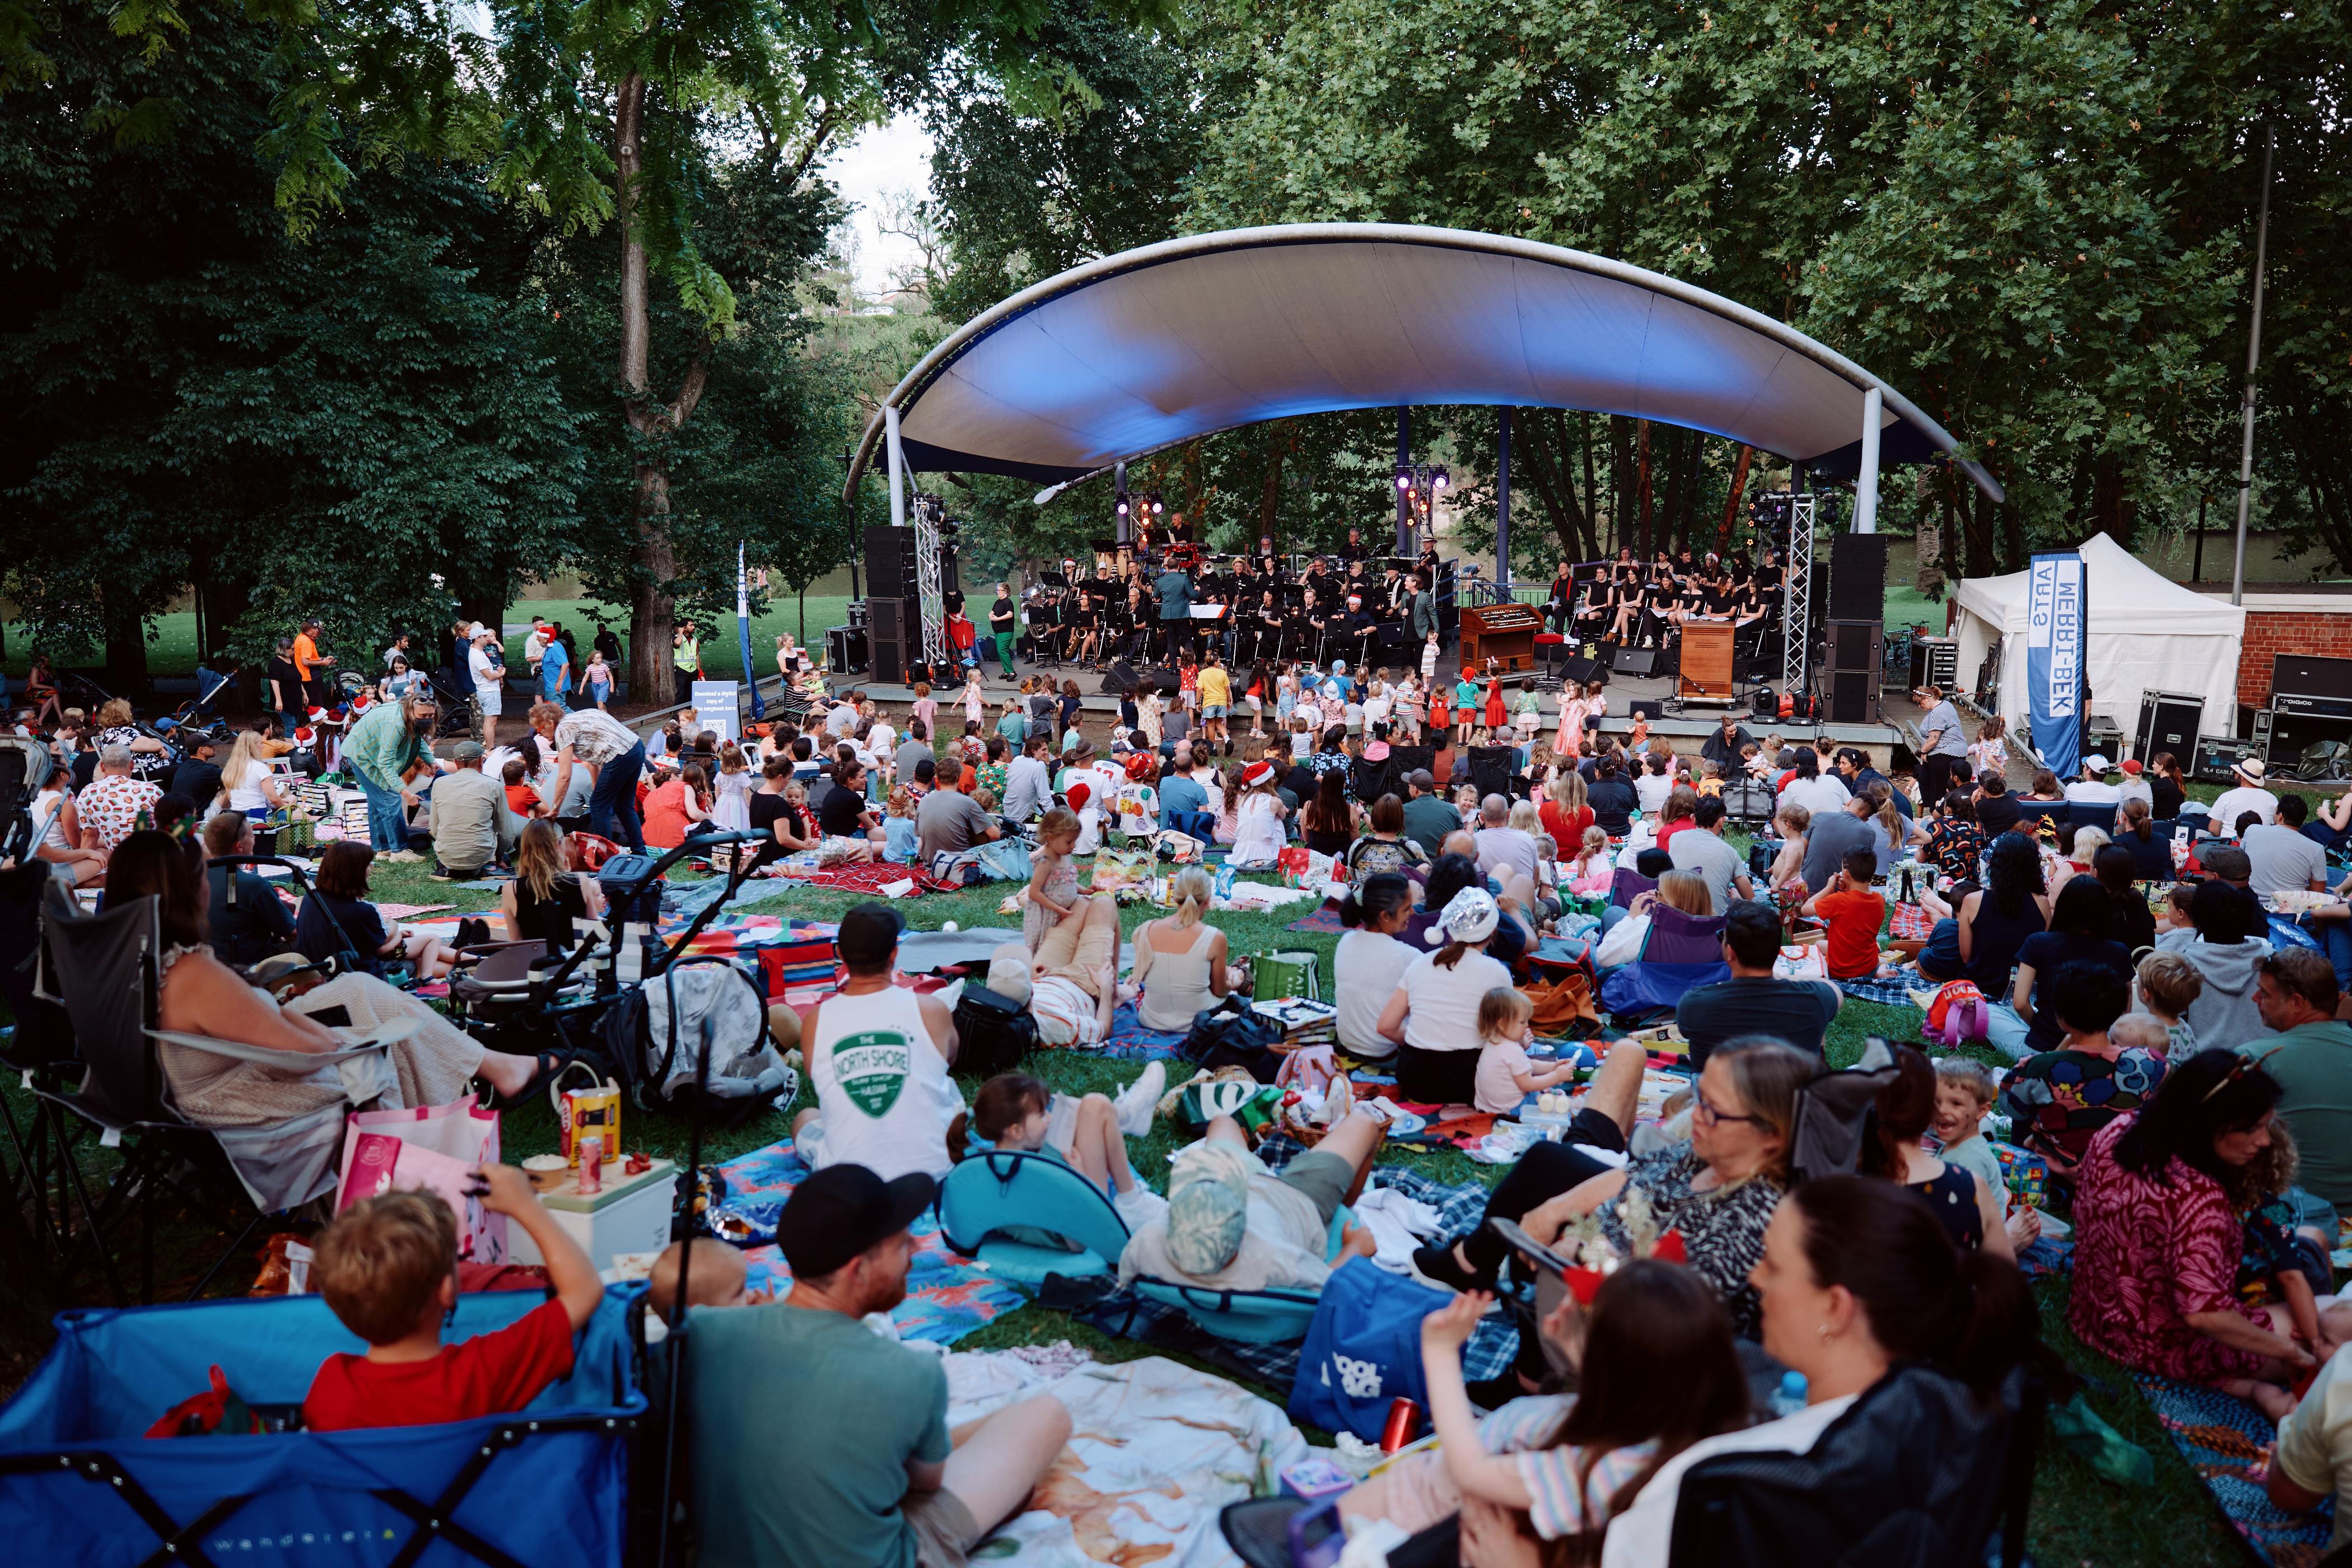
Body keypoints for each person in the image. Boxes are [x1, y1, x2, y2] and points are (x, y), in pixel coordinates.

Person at [1604, 1175, 2045, 1568]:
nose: (1756, 1278)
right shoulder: (1963, 1419)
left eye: (1773, 1265)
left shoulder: (1720, 1480)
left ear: (1835, 1308)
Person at [690, 1161, 1072, 1568]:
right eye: (902, 1242)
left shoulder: (702, 1333)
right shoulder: (911, 1374)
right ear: (858, 1270)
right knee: (1046, 1413)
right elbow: (926, 1482)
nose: (917, 1249)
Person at [106, 830, 544, 1117]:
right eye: (204, 873)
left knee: (358, 988)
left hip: (201, 1075)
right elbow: (308, 1048)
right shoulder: (195, 971)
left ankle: (495, 1067)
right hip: (239, 1096)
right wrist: (332, 1032)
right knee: (385, 1038)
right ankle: (473, 1091)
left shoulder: (131, 959)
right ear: (188, 889)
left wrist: (270, 998)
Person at [1343, 1262, 1751, 1553]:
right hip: (1428, 1492)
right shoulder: (1663, 1426)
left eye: (1585, 1306)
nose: (1566, 1302)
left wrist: (1440, 1352)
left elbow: (1471, 1472)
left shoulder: (1601, 1470)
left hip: (1419, 1517)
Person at [2072, 1051, 2352, 1418]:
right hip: (2160, 1346)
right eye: (2250, 1129)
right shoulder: (2200, 1197)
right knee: (2337, 1321)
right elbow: (2204, 1315)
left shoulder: (2120, 1130)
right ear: (2206, 1124)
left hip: (2097, 1318)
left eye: (2266, 1126)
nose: (2265, 1141)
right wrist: (2291, 1351)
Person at [302, 1173, 601, 1431]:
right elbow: (584, 1290)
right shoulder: (482, 1373)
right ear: (447, 1288)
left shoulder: (331, 1387)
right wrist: (525, 1205)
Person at [1118, 1108, 1387, 1291]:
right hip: (1299, 1198)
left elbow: (1125, 1279)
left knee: (1222, 1121)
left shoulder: (1148, 1242)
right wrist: (1355, 1249)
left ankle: (1251, 1158)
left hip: (1250, 1185)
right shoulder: (1274, 1259)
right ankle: (1343, 1204)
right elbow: (1324, 1286)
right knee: (1364, 1124)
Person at [791, 904, 959, 1182]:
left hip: (849, 1181)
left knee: (806, 1118)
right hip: (934, 1170)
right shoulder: (933, 1010)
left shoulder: (814, 1021)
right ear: (894, 954)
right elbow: (949, 1058)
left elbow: (818, 1076)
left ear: (840, 955)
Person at [1861, 1044, 2015, 1257]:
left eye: (1956, 1104)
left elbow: (1966, 1226)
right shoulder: (1957, 1145)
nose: (1942, 1111)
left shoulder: (1970, 1161)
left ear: (1982, 1111)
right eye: (1937, 1101)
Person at [1378, 888, 1516, 1105]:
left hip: (1414, 1077)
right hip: (1470, 1079)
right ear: (1493, 932)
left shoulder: (1420, 962)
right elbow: (1508, 1034)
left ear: (1450, 931)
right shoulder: (1498, 973)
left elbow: (1386, 1027)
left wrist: (1422, 1042)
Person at [1672, 901, 1842, 1066]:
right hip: (1793, 1084)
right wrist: (1784, 978)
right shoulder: (1815, 999)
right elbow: (1835, 991)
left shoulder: (1694, 1004)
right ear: (1777, 950)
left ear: (1730, 952)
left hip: (1719, 1085)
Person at [2248, 949, 2352, 1211]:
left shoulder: (2253, 1060)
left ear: (2296, 1003)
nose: (2255, 998)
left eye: (2265, 993)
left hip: (2293, 1219)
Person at [1989, 876, 2135, 1060]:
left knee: (1989, 1011)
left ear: (2064, 906)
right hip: (2095, 1049)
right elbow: (2124, 1014)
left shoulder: (2038, 942)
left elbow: (2019, 1003)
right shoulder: (2120, 951)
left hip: (2040, 1049)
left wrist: (2041, 1027)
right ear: (2104, 910)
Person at [297, 840, 459, 980]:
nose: (372, 868)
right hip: (360, 975)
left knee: (425, 952)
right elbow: (382, 945)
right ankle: (464, 964)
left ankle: (469, 957)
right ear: (356, 872)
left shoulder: (311, 898)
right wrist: (394, 926)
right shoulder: (361, 911)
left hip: (321, 969)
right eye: (369, 864)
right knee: (429, 962)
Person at [2155, 876, 2276, 1051]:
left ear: (2198, 920)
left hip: (2207, 1061)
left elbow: (2173, 1022)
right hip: (2264, 1058)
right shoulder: (2271, 960)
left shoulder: (2184, 966)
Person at [1131, 866, 1240, 1031]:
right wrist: (1231, 985)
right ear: (1208, 899)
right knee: (1235, 999)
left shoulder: (1147, 930)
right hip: (1199, 1021)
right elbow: (1219, 991)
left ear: (1175, 896)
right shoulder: (1215, 937)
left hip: (1151, 1019)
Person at [1335, 874, 1416, 1063]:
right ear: (1385, 916)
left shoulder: (1346, 941)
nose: (1413, 912)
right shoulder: (1408, 956)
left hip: (1348, 1044)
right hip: (1385, 1054)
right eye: (1407, 909)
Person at [498, 819, 608, 956]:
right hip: (574, 964)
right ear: (557, 846)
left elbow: (517, 942)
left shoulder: (511, 889)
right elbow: (591, 931)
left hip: (535, 965)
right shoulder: (581, 881)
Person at [199, 811, 296, 963]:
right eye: (252, 836)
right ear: (240, 846)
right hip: (248, 964)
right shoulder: (254, 884)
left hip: (206, 961)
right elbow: (292, 933)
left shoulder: (194, 880)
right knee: (307, 941)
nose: (255, 839)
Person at [1472, 987, 1579, 1114]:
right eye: (1522, 1022)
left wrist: (1553, 1067)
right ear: (1502, 1024)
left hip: (1489, 1107)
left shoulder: (1493, 1043)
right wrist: (1557, 1076)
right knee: (1550, 1100)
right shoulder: (1512, 1050)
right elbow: (1528, 1085)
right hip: (1513, 1109)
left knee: (1542, 1088)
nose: (1527, 1025)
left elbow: (1526, 1064)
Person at [428, 741, 522, 881]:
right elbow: (506, 833)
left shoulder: (439, 783)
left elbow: (434, 829)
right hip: (483, 854)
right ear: (481, 760)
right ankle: (490, 867)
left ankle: (450, 868)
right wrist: (500, 857)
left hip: (446, 855)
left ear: (455, 762)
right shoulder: (494, 785)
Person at [1799, 846, 1891, 982]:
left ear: (1846, 873)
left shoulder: (1838, 900)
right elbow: (1857, 908)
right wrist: (1848, 891)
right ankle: (1879, 971)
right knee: (1821, 944)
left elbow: (1805, 910)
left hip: (1839, 971)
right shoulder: (1879, 899)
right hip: (1869, 968)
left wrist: (1828, 889)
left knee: (1817, 944)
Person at [1665, 795, 1752, 916]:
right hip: (1714, 924)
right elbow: (1751, 899)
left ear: (1693, 819)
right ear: (1721, 822)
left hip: (1676, 918)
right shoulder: (1730, 853)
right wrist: (1738, 900)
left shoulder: (1675, 838)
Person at [1021, 805, 1083, 953]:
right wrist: (1057, 908)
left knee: (1060, 943)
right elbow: (1034, 893)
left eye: (1075, 841)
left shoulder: (1064, 856)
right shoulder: (1046, 862)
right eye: (1069, 842)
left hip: (1061, 912)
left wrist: (1086, 891)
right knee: (1045, 946)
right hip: (1046, 915)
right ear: (1051, 838)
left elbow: (1068, 880)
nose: (1074, 846)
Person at [2249, 794, 2330, 898]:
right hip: (2290, 906)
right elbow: (2317, 895)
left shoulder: (2252, 831)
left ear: (2280, 816)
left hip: (2250, 903)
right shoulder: (2316, 849)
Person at [915, 766, 1003, 861]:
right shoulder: (968, 803)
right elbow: (995, 835)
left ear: (937, 779)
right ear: (958, 778)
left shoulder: (924, 801)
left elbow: (920, 838)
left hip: (930, 862)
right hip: (959, 863)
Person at [1912, 683, 1971, 802]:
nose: (1919, 706)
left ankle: (1939, 810)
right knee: (1924, 777)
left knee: (1940, 789)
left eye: (1920, 703)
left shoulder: (1937, 712)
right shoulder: (1946, 705)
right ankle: (1934, 806)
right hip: (1949, 752)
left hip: (1945, 753)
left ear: (1928, 699)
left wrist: (1922, 752)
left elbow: (1933, 740)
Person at [1401, 768, 1463, 857]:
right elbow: (1462, 839)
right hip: (1446, 863)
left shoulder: (1404, 810)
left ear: (1415, 789)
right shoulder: (1451, 809)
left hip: (1416, 864)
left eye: (1409, 786)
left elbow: (1387, 835)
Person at [465, 623, 506, 752]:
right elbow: (490, 676)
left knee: (490, 721)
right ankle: (490, 748)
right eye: (484, 636)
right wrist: (501, 674)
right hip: (489, 691)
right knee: (490, 721)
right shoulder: (477, 655)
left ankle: (489, 748)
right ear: (478, 639)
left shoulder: (477, 651)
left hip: (487, 690)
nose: (487, 638)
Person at [166, 735, 225, 817]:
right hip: (199, 817)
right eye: (210, 745)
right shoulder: (209, 770)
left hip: (181, 817)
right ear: (201, 749)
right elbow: (234, 778)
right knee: (229, 784)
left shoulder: (183, 766)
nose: (214, 747)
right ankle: (236, 812)